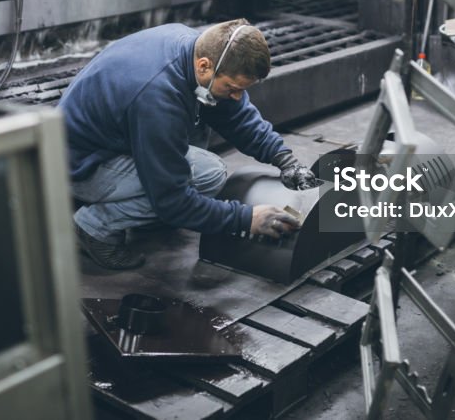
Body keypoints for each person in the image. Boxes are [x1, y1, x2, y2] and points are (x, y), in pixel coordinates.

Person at [60, 19, 319, 270]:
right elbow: (172, 200)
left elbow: (236, 114)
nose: (237, 95)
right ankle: (94, 227)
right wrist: (247, 219)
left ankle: (136, 210)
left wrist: (285, 160)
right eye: (232, 87)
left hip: (111, 139)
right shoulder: (157, 98)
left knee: (209, 109)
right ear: (205, 66)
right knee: (209, 176)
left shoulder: (196, 48)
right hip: (79, 167)